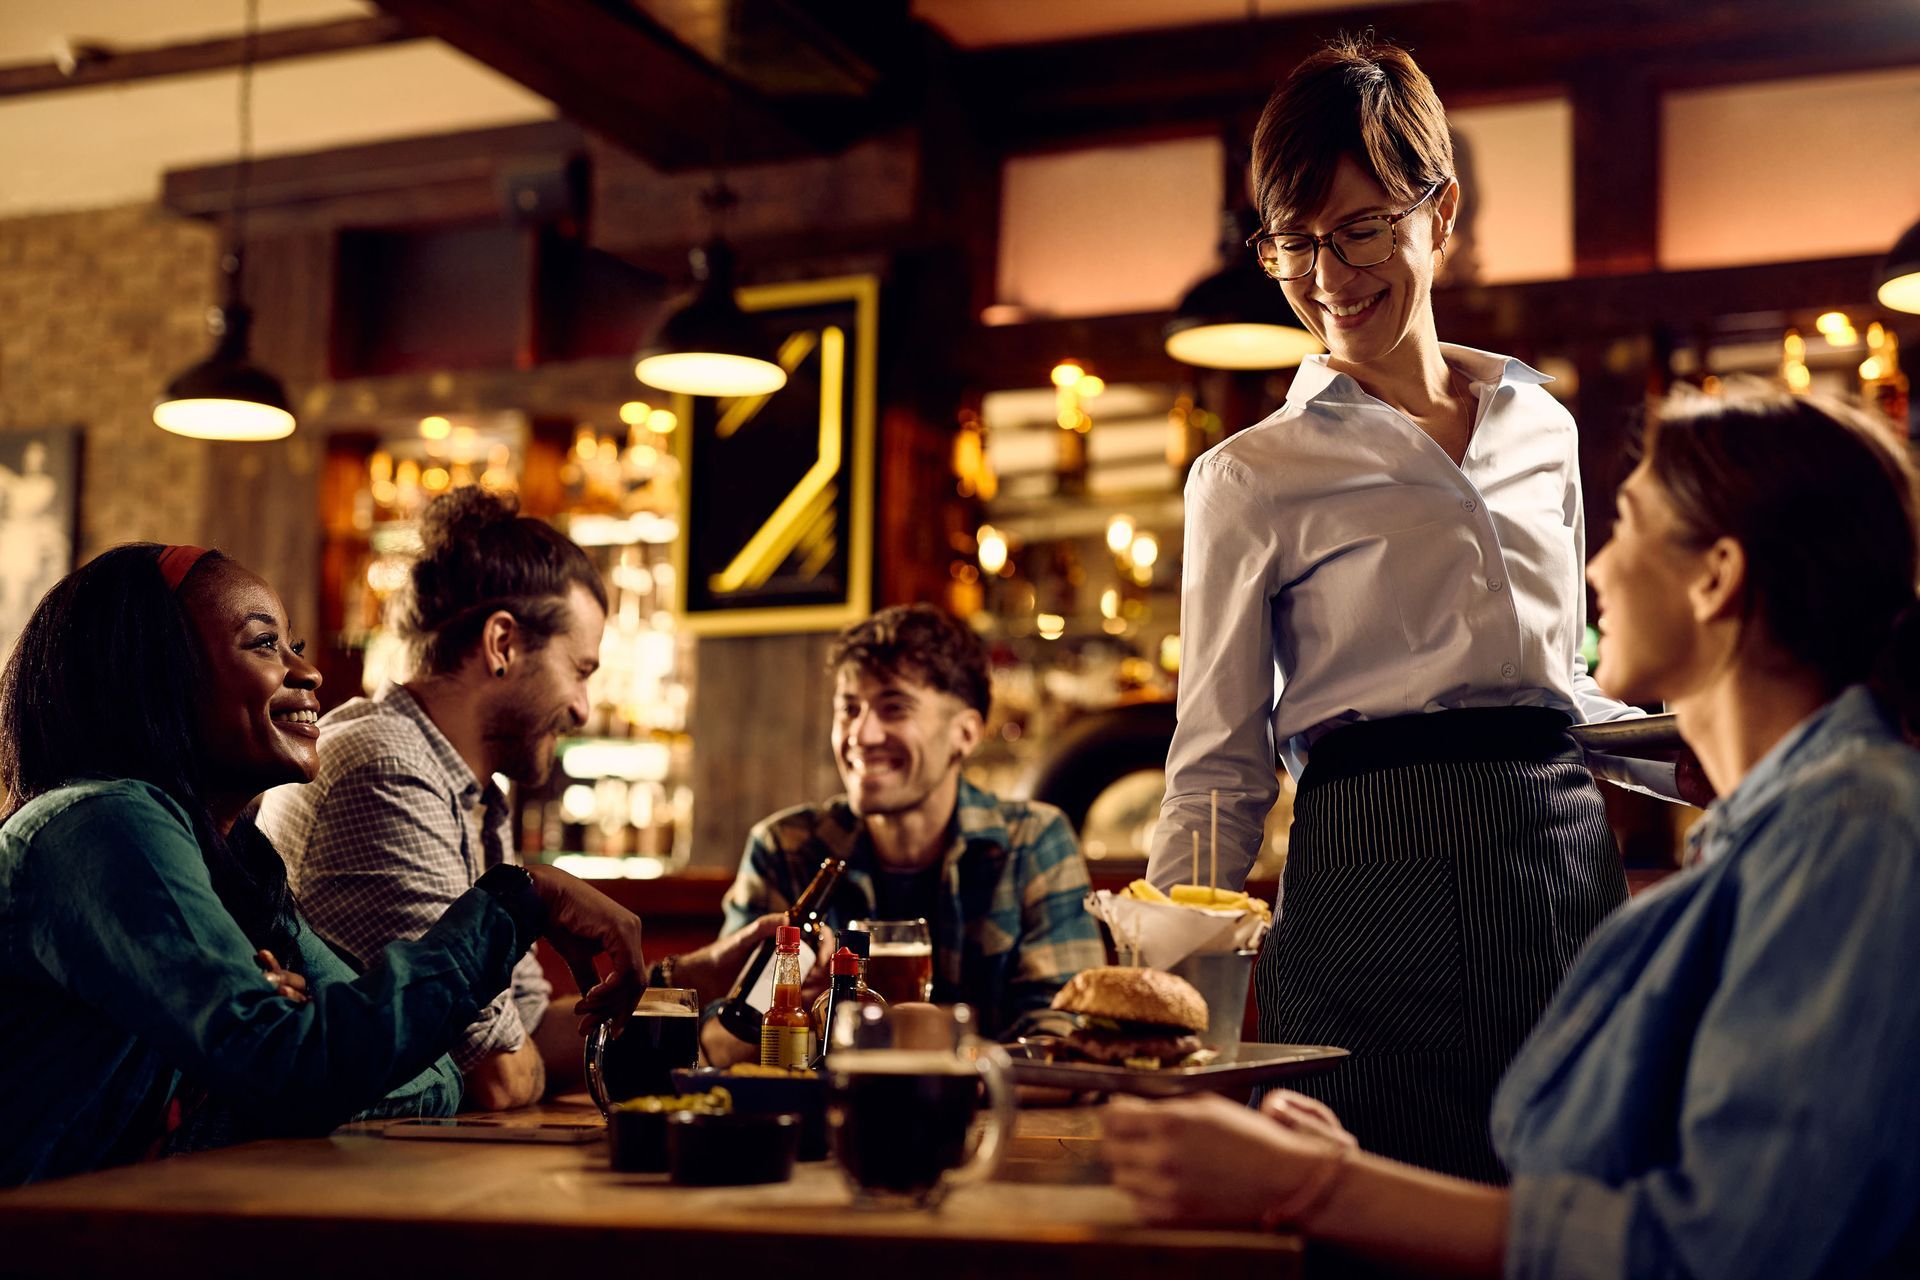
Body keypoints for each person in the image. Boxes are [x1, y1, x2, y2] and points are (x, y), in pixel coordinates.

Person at [1106, 389, 1920, 1278]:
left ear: (1716, 577)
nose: (1596, 570)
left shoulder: (1849, 832)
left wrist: (1322, 1186)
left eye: (1629, 524)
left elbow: (1732, 1249)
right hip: (1360, 872)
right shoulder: (1784, 828)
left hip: (1555, 856)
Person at [1144, 35, 1687, 1181]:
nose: (1328, 277)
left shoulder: (1547, 428)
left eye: (1362, 230)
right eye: (1295, 242)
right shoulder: (1248, 475)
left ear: (1440, 213)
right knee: (1360, 1192)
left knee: (1573, 1198)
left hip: (1557, 860)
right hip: (1365, 870)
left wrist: (1709, 749)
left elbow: (1564, 682)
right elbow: (1218, 762)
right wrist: (1164, 996)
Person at [0, 544, 648, 1186]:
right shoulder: (100, 824)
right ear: (148, 670)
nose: (307, 673)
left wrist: (254, 1069)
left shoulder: (241, 865)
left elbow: (435, 1078)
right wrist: (518, 900)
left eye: (296, 647)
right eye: (262, 645)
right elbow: (295, 1071)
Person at [705, 604, 1104, 1063]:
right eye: (849, 709)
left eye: (894, 708)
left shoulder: (1033, 841)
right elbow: (717, 1042)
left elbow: (1064, 1042)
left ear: (966, 734)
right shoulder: (786, 847)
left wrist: (929, 1055)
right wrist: (787, 1009)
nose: (862, 734)